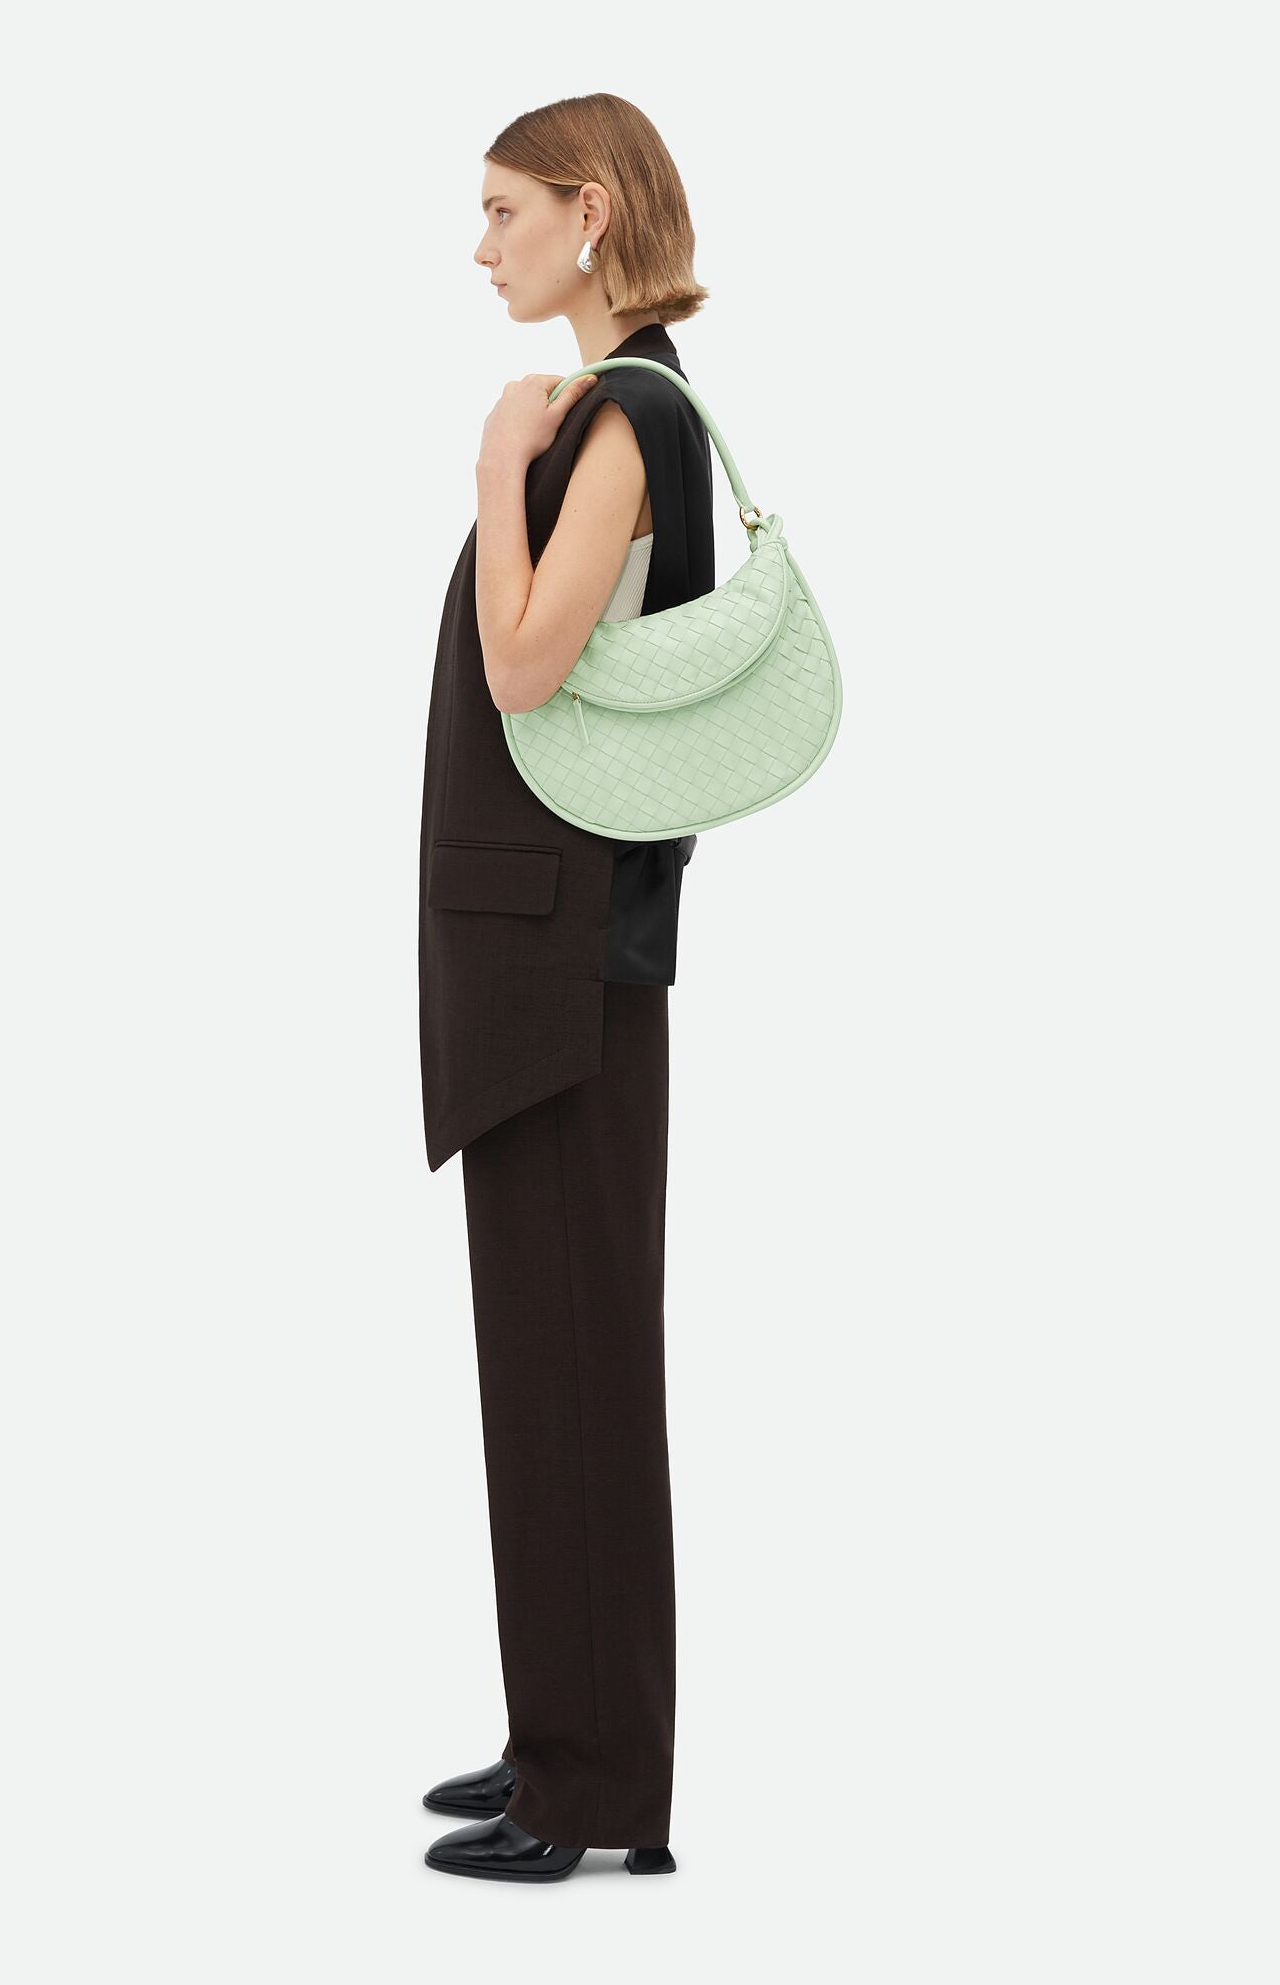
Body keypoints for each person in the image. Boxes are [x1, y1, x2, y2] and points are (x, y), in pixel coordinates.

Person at [416, 93, 716, 1883]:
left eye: (503, 210)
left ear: (588, 213)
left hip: (561, 961)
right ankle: (560, 1742)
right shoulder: (606, 408)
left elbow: (526, 668)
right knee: (548, 1361)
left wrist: (489, 470)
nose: (482, 248)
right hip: (541, 947)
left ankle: (595, 1788)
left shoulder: (626, 415)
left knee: (577, 1357)